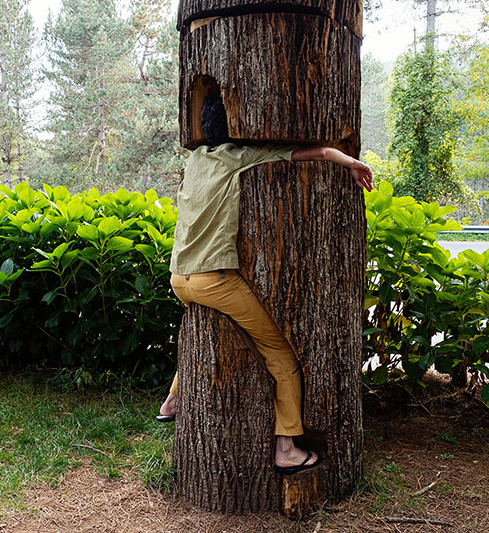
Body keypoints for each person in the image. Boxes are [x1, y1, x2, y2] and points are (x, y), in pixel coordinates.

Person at [157, 96, 373, 475]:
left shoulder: (195, 161)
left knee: (199, 333)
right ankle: (286, 448)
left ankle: (172, 400)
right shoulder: (239, 157)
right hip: (215, 280)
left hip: (179, 278)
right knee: (281, 356)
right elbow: (316, 152)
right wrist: (352, 162)